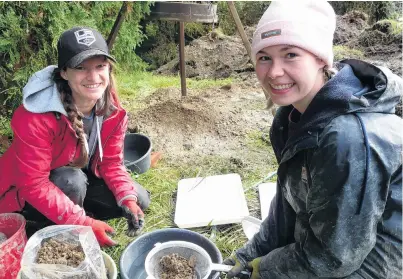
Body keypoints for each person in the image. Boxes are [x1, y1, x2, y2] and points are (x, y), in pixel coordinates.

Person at [224, 1, 402, 278]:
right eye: (264, 57)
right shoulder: (289, 120)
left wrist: (267, 268)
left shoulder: (348, 138)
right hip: (336, 243)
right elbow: (288, 204)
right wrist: (247, 257)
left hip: (380, 259)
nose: (274, 72)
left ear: (321, 59)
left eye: (291, 54)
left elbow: (336, 258)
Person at [0, 26, 151, 247]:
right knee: (72, 180)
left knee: (138, 198)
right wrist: (83, 222)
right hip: (28, 196)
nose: (93, 77)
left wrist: (127, 198)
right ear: (64, 72)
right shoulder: (34, 117)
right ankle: (46, 227)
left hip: (78, 181)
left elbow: (110, 162)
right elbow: (33, 185)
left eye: (100, 66)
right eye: (81, 67)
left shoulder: (110, 108)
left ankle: (69, 213)